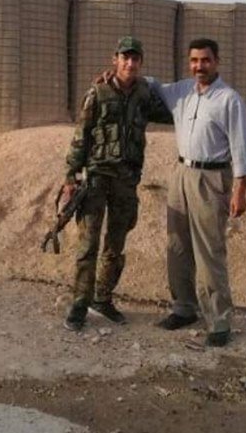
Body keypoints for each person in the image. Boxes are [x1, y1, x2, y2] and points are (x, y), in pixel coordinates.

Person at [149, 38, 246, 347]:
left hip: (211, 179)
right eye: (194, 60)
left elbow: (242, 148)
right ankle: (184, 308)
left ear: (217, 62)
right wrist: (115, 74)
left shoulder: (229, 100)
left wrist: (240, 192)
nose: (199, 66)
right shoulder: (181, 91)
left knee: (209, 251)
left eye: (205, 60)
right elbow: (152, 85)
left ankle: (219, 321)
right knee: (177, 245)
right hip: (181, 174)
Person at [63, 36, 173, 333]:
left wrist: (152, 84)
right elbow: (81, 135)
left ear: (140, 63)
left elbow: (170, 114)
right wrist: (70, 176)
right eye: (125, 57)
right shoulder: (97, 92)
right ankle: (79, 303)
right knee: (88, 245)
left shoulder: (143, 95)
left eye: (135, 58)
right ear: (115, 59)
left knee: (116, 245)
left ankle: (102, 297)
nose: (129, 63)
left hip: (126, 181)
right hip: (97, 177)